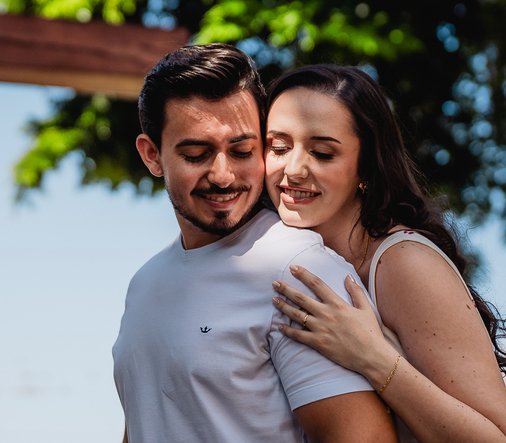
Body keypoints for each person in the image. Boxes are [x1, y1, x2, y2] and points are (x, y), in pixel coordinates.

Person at [113, 44, 396, 443]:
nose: (223, 175)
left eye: (243, 151)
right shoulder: (143, 285)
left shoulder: (299, 270)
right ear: (152, 155)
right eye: (196, 154)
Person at [265, 64, 506, 443]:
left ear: (365, 166)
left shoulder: (404, 263)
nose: (294, 169)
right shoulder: (292, 261)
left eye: (323, 153)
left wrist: (374, 358)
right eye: (279, 147)